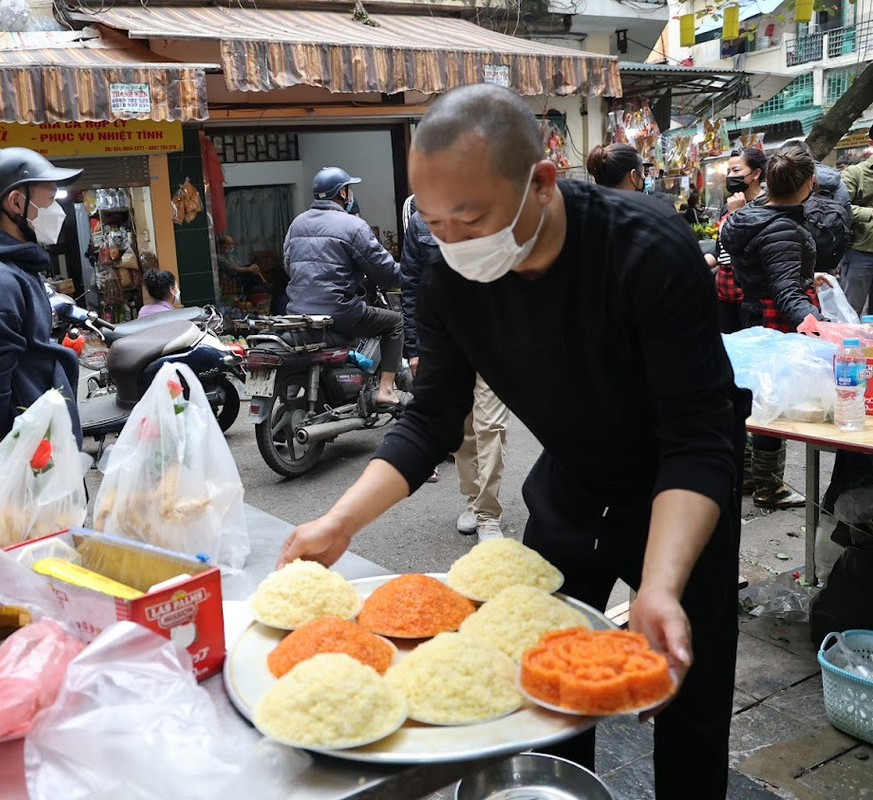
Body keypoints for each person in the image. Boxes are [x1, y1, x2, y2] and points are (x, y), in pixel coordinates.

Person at [277, 84, 749, 800]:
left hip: (681, 495)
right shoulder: (446, 278)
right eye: (433, 222)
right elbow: (431, 417)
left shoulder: (645, 247)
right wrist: (338, 520)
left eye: (470, 218)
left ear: (543, 181)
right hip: (572, 488)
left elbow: (697, 432)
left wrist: (659, 584)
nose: (454, 242)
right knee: (543, 690)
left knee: (687, 698)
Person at [0, 147, 83, 475]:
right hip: (27, 449)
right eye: (50, 199)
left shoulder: (17, 268)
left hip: (39, 438)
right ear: (15, 202)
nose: (57, 209)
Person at [721, 142, 828, 510]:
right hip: (774, 319)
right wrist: (821, 329)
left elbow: (776, 272)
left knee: (758, 397)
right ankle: (770, 486)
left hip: (754, 311)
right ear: (809, 181)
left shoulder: (750, 215)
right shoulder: (781, 227)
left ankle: (752, 475)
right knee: (773, 401)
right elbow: (785, 291)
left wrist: (807, 277)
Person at [401, 194, 509, 536]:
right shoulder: (420, 222)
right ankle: (473, 502)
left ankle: (489, 513)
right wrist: (414, 348)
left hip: (492, 342)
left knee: (491, 426)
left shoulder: (492, 208)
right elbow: (411, 286)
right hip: (447, 347)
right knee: (463, 433)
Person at [284, 166, 403, 408]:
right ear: (342, 193)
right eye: (349, 189)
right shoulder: (352, 226)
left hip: (298, 312)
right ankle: (386, 390)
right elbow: (384, 271)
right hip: (338, 312)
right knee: (395, 323)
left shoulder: (297, 224)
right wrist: (405, 276)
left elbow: (289, 264)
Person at [715, 147, 768, 334]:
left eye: (736, 171)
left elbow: (756, 251)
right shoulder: (727, 206)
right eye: (728, 171)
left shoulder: (767, 206)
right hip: (723, 292)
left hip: (751, 296)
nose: (730, 176)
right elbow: (720, 250)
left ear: (756, 174)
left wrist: (737, 214)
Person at [841, 126, 873, 314]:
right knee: (850, 312)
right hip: (860, 252)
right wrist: (870, 213)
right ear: (871, 144)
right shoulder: (854, 173)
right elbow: (840, 208)